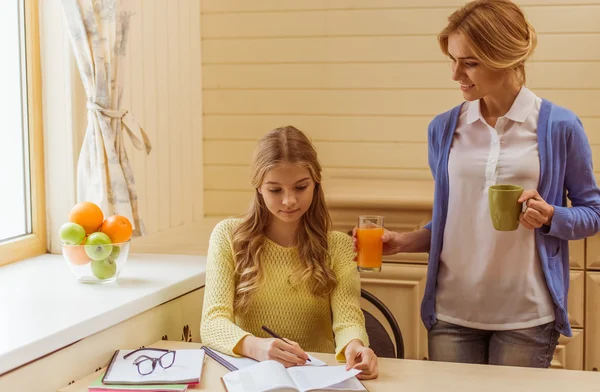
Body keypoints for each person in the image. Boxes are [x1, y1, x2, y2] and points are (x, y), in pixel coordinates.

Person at [354, 0, 600, 368]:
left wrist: (551, 216)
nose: (456, 74)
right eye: (452, 60)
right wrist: (405, 241)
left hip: (527, 318)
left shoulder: (558, 126)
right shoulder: (443, 129)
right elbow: (455, 220)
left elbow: (592, 213)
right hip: (452, 315)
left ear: (504, 58)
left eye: (469, 62)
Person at [201, 126, 379, 379]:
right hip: (253, 377)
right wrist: (258, 347)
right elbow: (212, 323)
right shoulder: (228, 236)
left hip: (318, 378)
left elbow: (348, 321)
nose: (289, 201)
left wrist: (356, 347)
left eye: (300, 187)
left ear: (316, 185)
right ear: (258, 187)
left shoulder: (337, 246)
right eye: (275, 190)